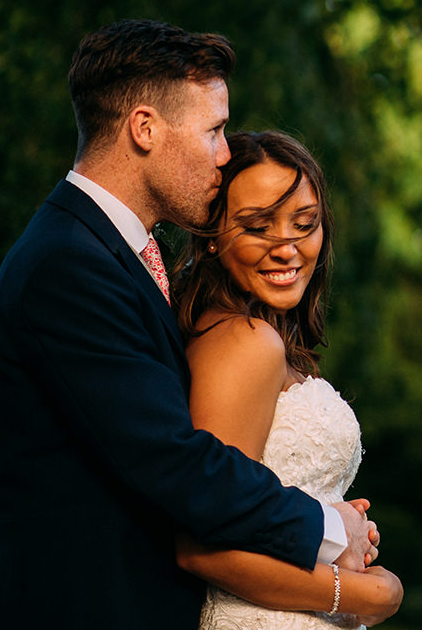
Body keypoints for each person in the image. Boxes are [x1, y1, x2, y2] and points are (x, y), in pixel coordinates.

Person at [0, 20, 389, 630]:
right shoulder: (67, 265)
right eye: (214, 130)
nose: (224, 152)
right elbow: (172, 460)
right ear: (144, 128)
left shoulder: (109, 253)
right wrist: (326, 528)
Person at [171, 130, 400, 628]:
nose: (288, 248)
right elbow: (202, 547)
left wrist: (339, 527)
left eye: (305, 223)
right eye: (258, 227)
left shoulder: (247, 335)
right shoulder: (245, 342)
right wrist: (365, 594)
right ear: (211, 238)